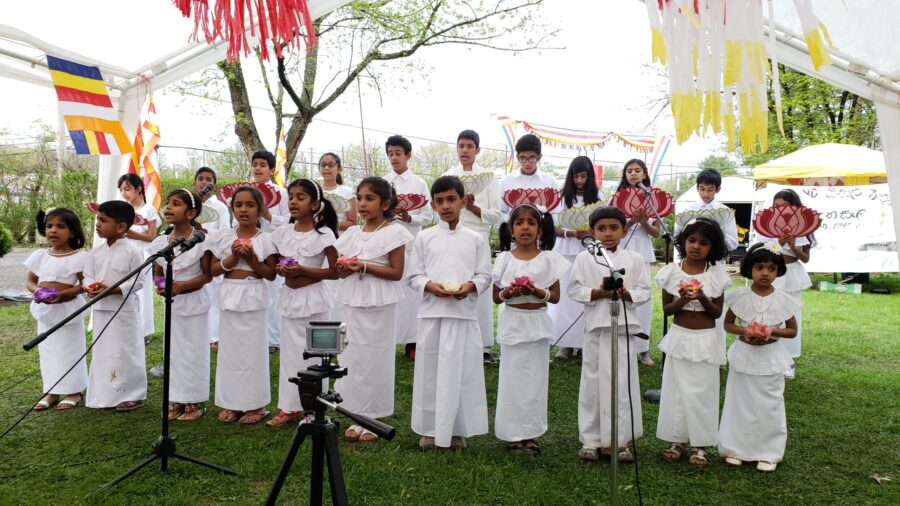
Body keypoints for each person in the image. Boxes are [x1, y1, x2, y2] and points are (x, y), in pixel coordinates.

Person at [408, 176, 491, 449]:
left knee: (460, 371)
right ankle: (430, 430)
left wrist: (469, 287)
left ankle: (457, 429)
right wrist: (430, 286)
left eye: (451, 200)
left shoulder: (476, 239)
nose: (446, 206)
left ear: (463, 201)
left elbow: (484, 275)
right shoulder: (424, 237)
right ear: (432, 204)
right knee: (430, 373)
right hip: (432, 314)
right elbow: (413, 275)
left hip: (463, 314)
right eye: (440, 201)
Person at [568, 206, 650, 462]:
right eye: (601, 228)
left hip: (623, 330)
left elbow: (644, 290)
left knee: (621, 383)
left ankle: (620, 440)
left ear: (624, 231)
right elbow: (574, 289)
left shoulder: (634, 259)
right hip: (596, 329)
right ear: (592, 232)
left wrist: (626, 293)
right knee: (593, 384)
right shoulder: (585, 258)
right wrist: (598, 292)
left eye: (614, 228)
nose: (607, 233)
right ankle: (591, 440)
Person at [333, 177, 413, 442]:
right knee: (353, 355)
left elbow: (396, 271)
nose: (363, 204)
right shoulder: (352, 233)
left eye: (370, 198)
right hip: (353, 299)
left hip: (380, 301)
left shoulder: (395, 232)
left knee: (375, 356)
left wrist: (364, 266)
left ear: (385, 203)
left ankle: (373, 416)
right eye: (359, 198)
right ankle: (355, 412)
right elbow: (340, 273)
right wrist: (345, 268)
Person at [654, 218, 731, 466]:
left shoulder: (717, 275)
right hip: (680, 336)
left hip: (706, 338)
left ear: (713, 247)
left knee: (702, 391)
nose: (696, 246)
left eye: (704, 242)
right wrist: (683, 299)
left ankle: (700, 445)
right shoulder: (671, 272)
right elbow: (667, 310)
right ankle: (676, 440)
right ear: (683, 242)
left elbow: (716, 313)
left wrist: (703, 296)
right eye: (691, 240)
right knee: (676, 391)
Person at [493, 204, 569, 454]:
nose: (525, 227)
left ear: (540, 230)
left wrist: (536, 291)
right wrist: (510, 291)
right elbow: (496, 297)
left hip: (537, 324)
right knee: (512, 379)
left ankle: (531, 432)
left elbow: (555, 296)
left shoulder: (549, 260)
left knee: (535, 379)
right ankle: (513, 433)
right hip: (513, 323)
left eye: (531, 223)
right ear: (511, 231)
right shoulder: (504, 259)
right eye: (519, 223)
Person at [720, 243, 798, 472]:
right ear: (750, 270)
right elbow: (728, 325)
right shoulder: (740, 296)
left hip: (770, 356)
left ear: (778, 271)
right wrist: (746, 331)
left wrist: (771, 331)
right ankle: (736, 448)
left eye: (771, 268)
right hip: (744, 354)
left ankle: (769, 452)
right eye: (760, 267)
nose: (765, 273)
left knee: (769, 403)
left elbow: (792, 330)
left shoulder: (784, 299)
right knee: (739, 401)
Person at [268, 179, 339, 427]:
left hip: (315, 299)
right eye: (291, 197)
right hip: (290, 299)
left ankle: (314, 408)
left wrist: (303, 270)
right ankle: (289, 407)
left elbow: (334, 272)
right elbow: (277, 267)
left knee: (315, 354)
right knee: (290, 354)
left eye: (301, 197)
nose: (294, 202)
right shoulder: (281, 234)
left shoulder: (325, 235)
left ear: (315, 203)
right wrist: (282, 269)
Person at [207, 186, 278, 424]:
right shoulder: (224, 236)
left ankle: (255, 404)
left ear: (260, 209)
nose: (244, 210)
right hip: (229, 294)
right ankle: (233, 402)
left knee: (251, 352)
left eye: (250, 205)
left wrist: (249, 258)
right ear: (232, 208)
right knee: (230, 352)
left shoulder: (266, 239)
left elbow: (269, 274)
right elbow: (214, 269)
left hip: (253, 295)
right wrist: (233, 257)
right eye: (238, 205)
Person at [150, 189, 213, 421]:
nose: (168, 207)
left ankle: (195, 399)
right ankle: (175, 397)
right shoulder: (161, 242)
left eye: (175, 204)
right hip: (172, 304)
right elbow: (157, 272)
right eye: (167, 203)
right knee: (173, 351)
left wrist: (180, 286)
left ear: (191, 213)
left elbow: (207, 276)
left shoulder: (200, 240)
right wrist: (161, 285)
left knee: (193, 351)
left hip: (194, 302)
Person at [440, 130, 501, 365]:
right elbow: (440, 212)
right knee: (453, 284)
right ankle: (454, 342)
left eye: (469, 146)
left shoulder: (490, 178)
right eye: (461, 145)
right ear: (456, 148)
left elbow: (496, 216)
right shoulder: (447, 177)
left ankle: (483, 346)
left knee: (479, 288)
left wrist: (472, 207)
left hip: (479, 237)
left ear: (477, 150)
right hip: (453, 237)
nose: (464, 150)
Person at [83, 201, 147, 411]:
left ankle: (132, 393)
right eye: (97, 220)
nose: (98, 224)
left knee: (127, 350)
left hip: (124, 310)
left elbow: (138, 281)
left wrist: (113, 289)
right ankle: (105, 393)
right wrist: (90, 287)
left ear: (121, 227)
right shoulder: (96, 252)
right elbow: (87, 276)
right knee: (104, 351)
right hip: (101, 309)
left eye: (103, 220)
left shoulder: (132, 251)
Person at [26, 208, 89, 411]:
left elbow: (84, 284)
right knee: (48, 350)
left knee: (70, 349)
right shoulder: (40, 255)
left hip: (68, 310)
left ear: (72, 232)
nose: (53, 230)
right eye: (49, 226)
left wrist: (63, 294)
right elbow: (30, 281)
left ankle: (73, 390)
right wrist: (37, 292)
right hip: (45, 311)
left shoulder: (79, 257)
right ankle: (52, 390)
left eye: (60, 226)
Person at [383, 135, 434, 360]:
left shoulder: (419, 183)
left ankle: (413, 342)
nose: (394, 158)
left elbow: (429, 216)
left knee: (413, 296)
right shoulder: (382, 182)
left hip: (412, 247)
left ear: (408, 155)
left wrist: (409, 217)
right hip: (388, 246)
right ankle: (387, 339)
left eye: (398, 153)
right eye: (390, 153)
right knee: (389, 294)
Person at [552, 156, 603, 359]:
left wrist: (589, 232)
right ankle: (565, 344)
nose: (580, 181)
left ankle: (584, 343)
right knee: (566, 297)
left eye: (583, 176)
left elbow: (602, 224)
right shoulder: (562, 196)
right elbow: (553, 227)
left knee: (586, 295)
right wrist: (570, 233)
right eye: (576, 176)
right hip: (565, 250)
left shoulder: (598, 196)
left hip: (587, 251)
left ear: (589, 176)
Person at [611, 159, 660, 366]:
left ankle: (643, 349)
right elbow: (613, 229)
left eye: (637, 170)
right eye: (629, 171)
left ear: (645, 173)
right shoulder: (617, 197)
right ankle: (619, 342)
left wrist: (643, 222)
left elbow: (656, 231)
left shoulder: (653, 197)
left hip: (643, 251)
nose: (633, 174)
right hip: (621, 250)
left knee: (642, 299)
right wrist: (631, 221)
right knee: (620, 294)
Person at [761, 189, 812, 378]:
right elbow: (763, 250)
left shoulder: (801, 229)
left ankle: (788, 360)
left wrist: (792, 246)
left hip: (792, 275)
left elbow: (805, 258)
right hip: (772, 273)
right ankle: (767, 353)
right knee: (769, 313)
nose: (779, 210)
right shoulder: (766, 228)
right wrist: (778, 242)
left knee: (791, 315)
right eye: (776, 206)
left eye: (784, 206)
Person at [249, 150, 290, 352]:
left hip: (273, 247)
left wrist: (267, 216)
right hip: (250, 247)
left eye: (262, 165)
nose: (257, 168)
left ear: (272, 170)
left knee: (273, 291)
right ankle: (254, 335)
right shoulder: (245, 191)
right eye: (254, 164)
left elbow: (290, 222)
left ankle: (273, 339)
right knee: (252, 290)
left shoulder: (281, 193)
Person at [118, 173, 160, 340]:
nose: (124, 193)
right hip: (125, 253)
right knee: (126, 289)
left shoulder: (148, 210)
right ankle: (128, 327)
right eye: (121, 189)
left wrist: (128, 232)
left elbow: (151, 236)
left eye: (127, 189)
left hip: (143, 254)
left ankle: (143, 331)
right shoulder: (124, 210)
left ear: (139, 189)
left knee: (141, 292)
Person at [193, 167, 231, 348]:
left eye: (208, 179)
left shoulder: (220, 207)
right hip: (192, 253)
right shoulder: (191, 204)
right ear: (195, 183)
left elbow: (224, 232)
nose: (204, 182)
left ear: (214, 185)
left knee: (213, 293)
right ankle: (198, 332)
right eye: (200, 178)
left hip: (213, 253)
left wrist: (204, 232)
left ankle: (214, 336)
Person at [318, 152, 357, 324]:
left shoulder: (347, 192)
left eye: (331, 164)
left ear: (339, 168)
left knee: (337, 286)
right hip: (316, 243)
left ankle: (339, 326)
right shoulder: (314, 189)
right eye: (323, 164)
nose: (327, 168)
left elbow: (352, 222)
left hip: (340, 244)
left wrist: (331, 224)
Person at [674, 168, 739, 251]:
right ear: (697, 188)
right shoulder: (688, 210)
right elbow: (677, 236)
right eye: (702, 189)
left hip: (715, 261)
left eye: (710, 190)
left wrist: (711, 246)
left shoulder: (725, 212)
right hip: (691, 259)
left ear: (718, 189)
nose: (705, 194)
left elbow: (732, 242)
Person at [499, 134, 559, 223]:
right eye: (523, 158)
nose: (527, 163)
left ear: (539, 157)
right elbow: (500, 212)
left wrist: (540, 221)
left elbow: (556, 213)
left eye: (532, 158)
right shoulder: (506, 181)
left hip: (541, 234)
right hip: (514, 234)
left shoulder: (550, 182)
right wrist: (515, 220)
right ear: (517, 157)